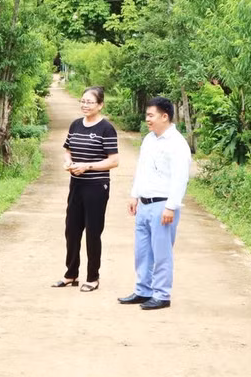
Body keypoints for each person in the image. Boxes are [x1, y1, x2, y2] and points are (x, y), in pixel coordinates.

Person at [118, 96, 191, 310]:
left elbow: (180, 177)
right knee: (142, 252)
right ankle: (143, 290)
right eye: (147, 115)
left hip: (162, 206)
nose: (147, 119)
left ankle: (162, 294)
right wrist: (134, 195)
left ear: (164, 116)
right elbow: (142, 170)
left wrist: (171, 206)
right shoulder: (149, 139)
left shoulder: (177, 144)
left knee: (162, 253)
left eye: (151, 115)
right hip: (144, 204)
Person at [52, 86, 119, 292]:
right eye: (83, 101)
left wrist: (88, 166)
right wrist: (68, 163)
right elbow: (68, 150)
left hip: (96, 186)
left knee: (92, 232)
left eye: (90, 102)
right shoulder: (75, 125)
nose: (85, 105)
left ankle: (93, 277)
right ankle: (71, 274)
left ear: (100, 105)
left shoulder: (106, 128)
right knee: (71, 230)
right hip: (76, 184)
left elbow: (114, 161)